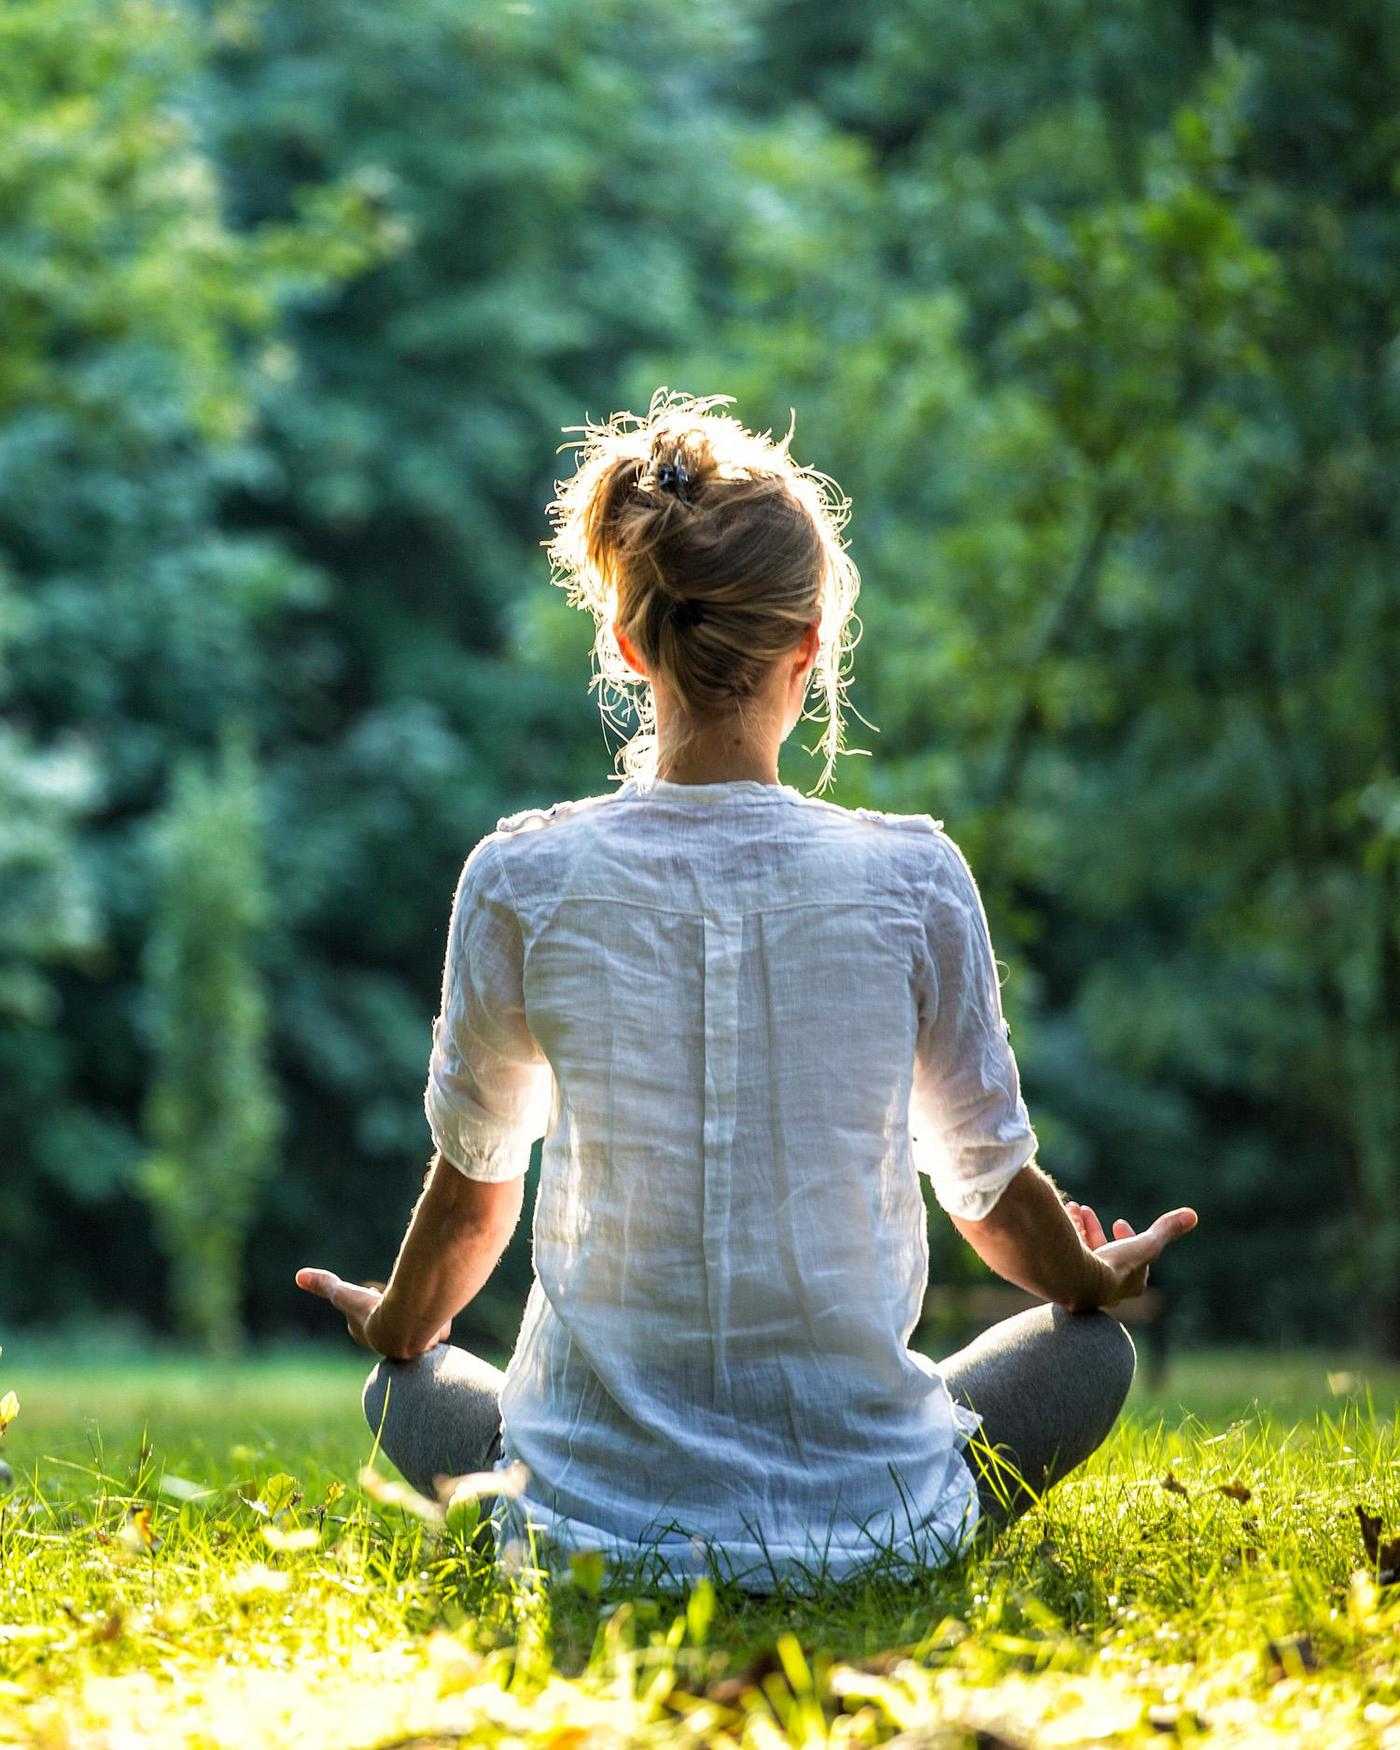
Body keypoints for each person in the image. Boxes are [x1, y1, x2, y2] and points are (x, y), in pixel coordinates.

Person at [296, 388, 1198, 1591]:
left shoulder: (520, 876)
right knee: (1088, 1360)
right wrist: (1088, 1277)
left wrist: (398, 1325)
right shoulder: (912, 878)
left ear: (628, 643)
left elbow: (473, 1201)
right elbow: (986, 1192)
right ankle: (877, 1534)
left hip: (586, 1538)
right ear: (808, 649)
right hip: (872, 1518)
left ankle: (578, 1505)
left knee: (401, 1385)